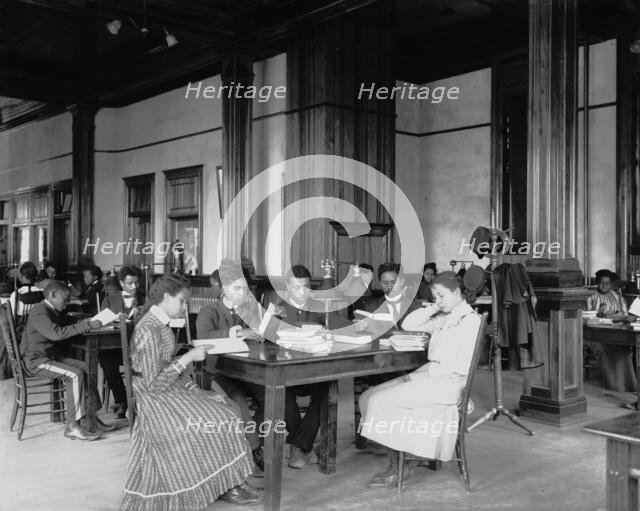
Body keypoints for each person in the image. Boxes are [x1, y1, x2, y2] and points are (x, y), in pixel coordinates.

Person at [121, 274, 261, 509]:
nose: (185, 307)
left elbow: (161, 367)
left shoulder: (157, 323)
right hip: (156, 398)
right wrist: (188, 357)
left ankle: (227, 482)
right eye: (182, 301)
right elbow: (152, 384)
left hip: (167, 389)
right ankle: (226, 485)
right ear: (166, 298)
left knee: (224, 405)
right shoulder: (149, 329)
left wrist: (190, 382)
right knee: (221, 416)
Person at [358, 271, 481, 488]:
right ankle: (399, 458)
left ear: (457, 292)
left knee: (379, 401)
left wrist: (419, 379)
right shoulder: (446, 317)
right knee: (367, 397)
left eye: (441, 296)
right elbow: (409, 324)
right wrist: (435, 307)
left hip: (446, 385)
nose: (438, 300)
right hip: (430, 376)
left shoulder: (470, 321)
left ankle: (401, 466)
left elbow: (460, 367)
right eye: (435, 296)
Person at [21, 280, 114, 440]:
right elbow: (56, 333)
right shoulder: (40, 312)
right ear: (53, 295)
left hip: (48, 357)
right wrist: (85, 326)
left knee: (85, 367)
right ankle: (72, 425)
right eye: (65, 299)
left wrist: (83, 322)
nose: (68, 302)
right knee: (74, 375)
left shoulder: (50, 310)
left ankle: (90, 416)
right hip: (36, 361)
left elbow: (64, 322)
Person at [196, 264, 266, 473]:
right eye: (237, 288)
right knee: (239, 400)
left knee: (271, 396)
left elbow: (262, 337)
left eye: (244, 288)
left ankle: (247, 439)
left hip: (248, 371)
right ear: (224, 289)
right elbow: (202, 339)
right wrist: (237, 332)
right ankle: (255, 450)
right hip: (217, 372)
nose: (242, 293)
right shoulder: (209, 311)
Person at [586, 269, 636, 392]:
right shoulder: (591, 296)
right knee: (609, 349)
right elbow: (587, 316)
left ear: (611, 284)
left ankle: (628, 384)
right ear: (598, 283)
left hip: (616, 330)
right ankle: (615, 385)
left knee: (622, 348)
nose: (604, 285)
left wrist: (623, 317)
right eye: (602, 283)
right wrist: (602, 315)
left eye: (607, 283)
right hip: (596, 333)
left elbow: (624, 313)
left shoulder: (616, 295)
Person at [354, 262, 422, 336]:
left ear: (402, 281)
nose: (390, 286)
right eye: (385, 283)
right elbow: (366, 335)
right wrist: (360, 328)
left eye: (394, 282)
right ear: (380, 283)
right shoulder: (371, 307)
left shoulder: (416, 307)